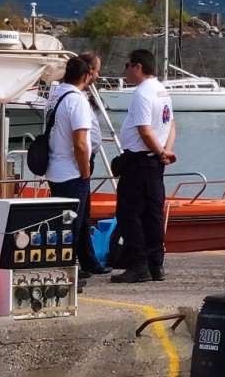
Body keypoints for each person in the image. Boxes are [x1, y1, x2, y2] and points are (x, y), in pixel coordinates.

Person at [44, 52, 109, 284]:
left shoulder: (55, 95)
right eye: (94, 72)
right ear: (86, 75)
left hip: (56, 168)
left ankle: (85, 262)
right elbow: (80, 143)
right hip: (72, 171)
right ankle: (67, 268)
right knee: (72, 223)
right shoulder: (77, 100)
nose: (96, 76)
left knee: (74, 221)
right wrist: (85, 171)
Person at [111, 47, 175, 284]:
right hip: (154, 160)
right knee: (152, 214)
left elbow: (144, 130)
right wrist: (165, 152)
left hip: (140, 160)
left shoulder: (143, 93)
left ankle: (139, 265)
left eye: (127, 66)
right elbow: (171, 124)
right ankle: (155, 263)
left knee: (129, 213)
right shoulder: (162, 91)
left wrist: (161, 152)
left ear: (138, 66)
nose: (125, 71)